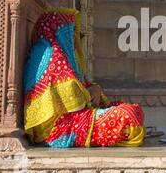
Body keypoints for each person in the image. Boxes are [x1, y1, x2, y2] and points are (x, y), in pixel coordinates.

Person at [23, 8, 145, 148]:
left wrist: (95, 89)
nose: (74, 37)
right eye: (70, 31)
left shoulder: (62, 54)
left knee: (131, 110)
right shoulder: (50, 55)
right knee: (129, 115)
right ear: (59, 30)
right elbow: (77, 103)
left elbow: (83, 88)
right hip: (60, 130)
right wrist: (89, 94)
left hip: (73, 121)